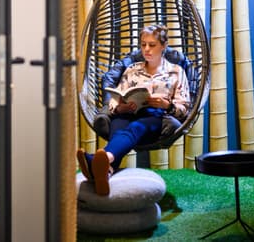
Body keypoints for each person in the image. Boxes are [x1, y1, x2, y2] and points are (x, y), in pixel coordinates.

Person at [77, 24, 191, 196]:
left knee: (135, 128)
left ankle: (100, 159)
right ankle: (105, 172)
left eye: (152, 45)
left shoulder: (176, 72)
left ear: (164, 46)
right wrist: (120, 106)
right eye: (143, 44)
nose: (146, 49)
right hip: (128, 113)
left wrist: (166, 105)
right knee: (118, 125)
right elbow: (116, 97)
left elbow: (184, 109)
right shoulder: (132, 69)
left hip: (155, 118)